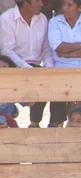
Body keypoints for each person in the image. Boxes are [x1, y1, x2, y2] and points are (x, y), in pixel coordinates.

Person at [0, 0, 65, 128]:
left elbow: (46, 49)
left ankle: (55, 124)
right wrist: (27, 68)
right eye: (37, 1)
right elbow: (8, 51)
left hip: (36, 68)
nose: (41, 4)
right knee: (38, 77)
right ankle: (34, 123)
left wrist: (49, 67)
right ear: (26, 3)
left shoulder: (43, 19)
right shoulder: (6, 18)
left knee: (58, 79)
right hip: (14, 67)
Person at [48, 0, 81, 113]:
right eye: (63, 4)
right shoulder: (54, 22)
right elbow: (59, 47)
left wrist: (69, 54)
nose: (64, 8)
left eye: (69, 5)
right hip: (63, 70)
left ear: (80, 8)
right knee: (71, 108)